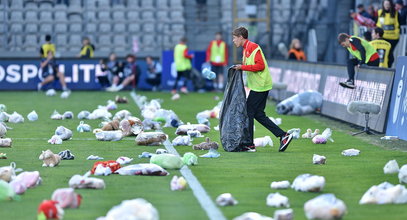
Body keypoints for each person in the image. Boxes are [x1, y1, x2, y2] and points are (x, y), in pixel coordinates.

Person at [231, 26, 293, 152]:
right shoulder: (246, 49)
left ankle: (249, 144)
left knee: (248, 112)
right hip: (259, 85)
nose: (233, 41)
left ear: (241, 37)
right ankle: (283, 135)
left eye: (234, 38)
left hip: (260, 85)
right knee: (258, 114)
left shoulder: (252, 47)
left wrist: (242, 67)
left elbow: (260, 66)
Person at [376, 0, 400, 67]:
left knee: (389, 54)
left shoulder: (395, 13)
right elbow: (378, 25)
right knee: (383, 53)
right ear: (383, 5)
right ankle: (382, 67)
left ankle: (389, 67)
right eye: (385, 4)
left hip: (393, 38)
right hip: (383, 37)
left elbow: (397, 24)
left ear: (391, 5)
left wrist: (397, 33)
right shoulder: (379, 12)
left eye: (388, 4)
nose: (387, 5)